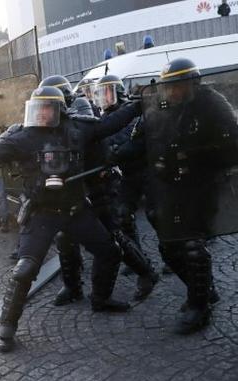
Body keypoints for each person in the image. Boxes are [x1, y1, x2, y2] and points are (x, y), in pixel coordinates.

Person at [0, 84, 142, 352]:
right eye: (39, 109)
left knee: (110, 252)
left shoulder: (78, 128)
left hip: (76, 209)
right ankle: (7, 327)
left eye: (48, 108)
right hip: (42, 213)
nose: (43, 114)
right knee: (24, 269)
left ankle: (100, 298)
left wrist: (139, 105)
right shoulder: (23, 137)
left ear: (59, 109)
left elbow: (110, 124)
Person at [139, 58, 238, 333]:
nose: (172, 93)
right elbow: (152, 137)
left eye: (178, 87)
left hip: (204, 182)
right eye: (168, 88)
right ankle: (205, 290)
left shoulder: (212, 103)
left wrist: (192, 154)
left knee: (192, 245)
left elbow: (234, 146)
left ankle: (199, 306)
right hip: (173, 184)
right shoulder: (165, 108)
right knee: (168, 246)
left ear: (192, 84)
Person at [53, 75, 160, 306]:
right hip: (75, 188)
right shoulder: (50, 124)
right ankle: (72, 287)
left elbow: (105, 129)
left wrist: (135, 107)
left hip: (98, 184)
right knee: (66, 236)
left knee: (115, 234)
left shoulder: (79, 110)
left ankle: (145, 273)